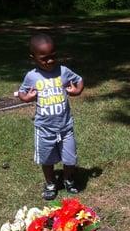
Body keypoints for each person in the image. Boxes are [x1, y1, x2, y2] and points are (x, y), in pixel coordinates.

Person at [19, 33, 84, 200]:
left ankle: (68, 179)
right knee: (47, 159)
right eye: (44, 58)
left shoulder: (63, 71)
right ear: (33, 58)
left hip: (65, 126)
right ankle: (50, 183)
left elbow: (79, 80)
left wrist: (76, 90)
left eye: (53, 56)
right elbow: (22, 92)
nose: (50, 61)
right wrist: (28, 97)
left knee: (70, 158)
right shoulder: (31, 76)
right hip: (44, 128)